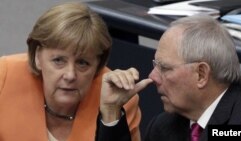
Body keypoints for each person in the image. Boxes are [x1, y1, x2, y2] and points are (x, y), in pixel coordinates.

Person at [0, 2, 142, 141]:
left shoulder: (117, 99)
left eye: (82, 63)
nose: (70, 75)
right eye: (58, 60)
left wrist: (111, 114)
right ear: (38, 56)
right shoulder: (4, 76)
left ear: (98, 65)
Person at [95, 15, 241, 141]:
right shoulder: (164, 127)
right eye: (155, 65)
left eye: (164, 68)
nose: (152, 76)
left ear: (201, 74)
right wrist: (110, 111)